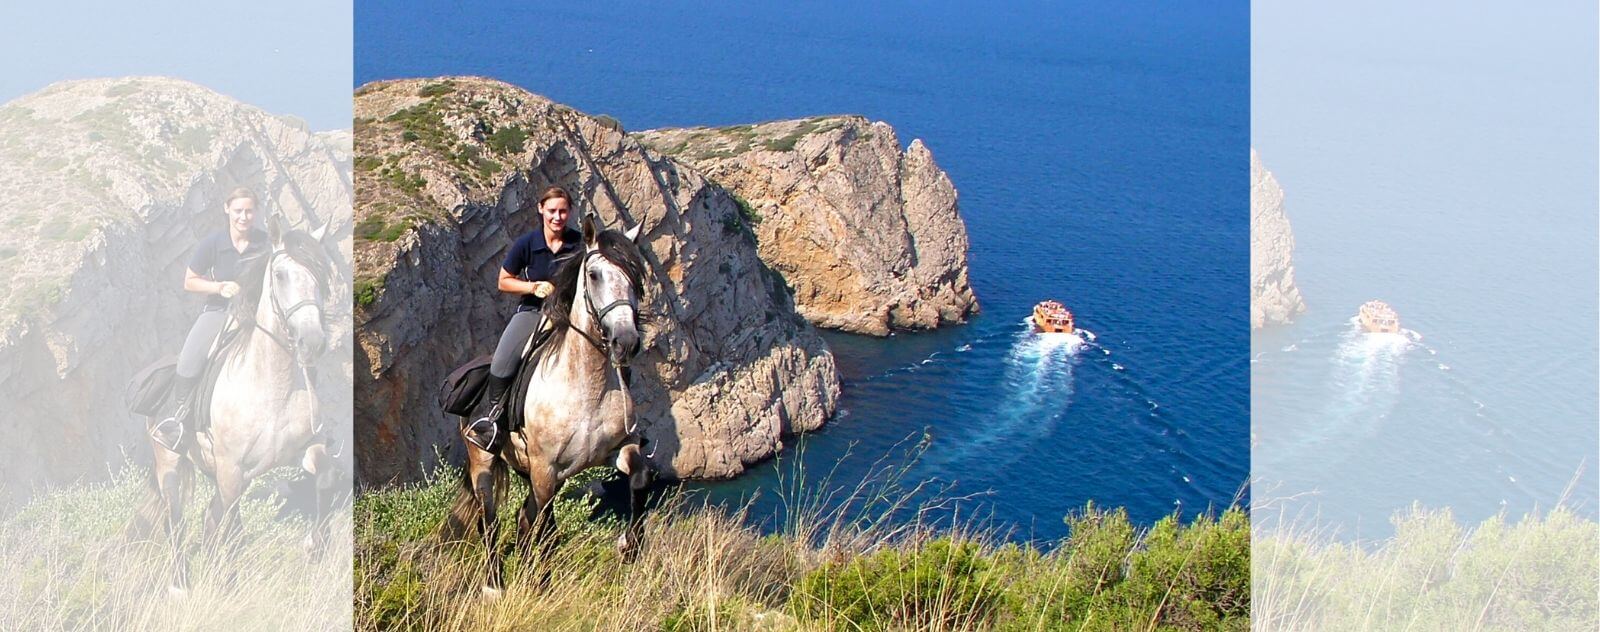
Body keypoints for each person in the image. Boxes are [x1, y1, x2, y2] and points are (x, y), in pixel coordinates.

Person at [151, 188, 269, 450]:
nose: (244, 217)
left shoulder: (265, 244)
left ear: (256, 212)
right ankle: (178, 420)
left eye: (249, 211)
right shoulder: (213, 243)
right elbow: (189, 281)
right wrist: (218, 287)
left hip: (255, 314)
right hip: (219, 311)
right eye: (238, 210)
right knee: (190, 358)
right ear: (227, 209)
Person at [466, 185, 582, 449]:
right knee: (502, 362)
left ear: (570, 212)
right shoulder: (527, 244)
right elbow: (503, 281)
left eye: (563, 211)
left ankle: (624, 425)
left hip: (570, 314)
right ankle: (494, 423)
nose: (557, 217)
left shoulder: (578, 244)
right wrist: (533, 287)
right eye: (552, 210)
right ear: (541, 209)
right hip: (533, 311)